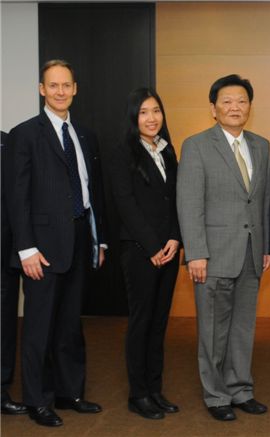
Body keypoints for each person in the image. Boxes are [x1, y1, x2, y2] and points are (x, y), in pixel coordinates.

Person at [5, 59, 106, 427]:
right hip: (42, 247)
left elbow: (93, 190)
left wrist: (99, 240)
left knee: (70, 324)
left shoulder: (85, 134)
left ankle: (70, 392)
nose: (60, 91)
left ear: (75, 89)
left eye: (66, 85)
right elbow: (17, 196)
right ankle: (37, 400)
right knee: (39, 327)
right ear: (41, 90)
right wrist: (26, 248)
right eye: (53, 85)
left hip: (79, 239)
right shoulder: (24, 134)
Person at [177, 74, 270, 421]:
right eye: (227, 101)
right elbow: (189, 203)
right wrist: (196, 253)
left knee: (243, 328)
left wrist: (266, 245)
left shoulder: (261, 145)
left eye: (242, 101)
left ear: (250, 107)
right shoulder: (197, 145)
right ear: (213, 108)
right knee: (213, 330)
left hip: (251, 253)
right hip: (213, 254)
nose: (235, 107)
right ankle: (216, 395)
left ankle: (240, 389)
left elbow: (263, 201)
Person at [108, 88, 181, 420]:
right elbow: (125, 204)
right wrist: (152, 246)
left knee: (159, 322)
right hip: (140, 251)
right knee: (141, 322)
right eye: (144, 112)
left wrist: (175, 238)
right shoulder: (123, 152)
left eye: (156, 111)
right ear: (133, 117)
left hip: (169, 250)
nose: (152, 118)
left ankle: (155, 389)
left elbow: (176, 199)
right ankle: (138, 394)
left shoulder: (167, 149)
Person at [1, 131, 27, 416]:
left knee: (4, 324)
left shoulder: (8, 142)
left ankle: (0, 390)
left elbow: (19, 196)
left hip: (3, 252)